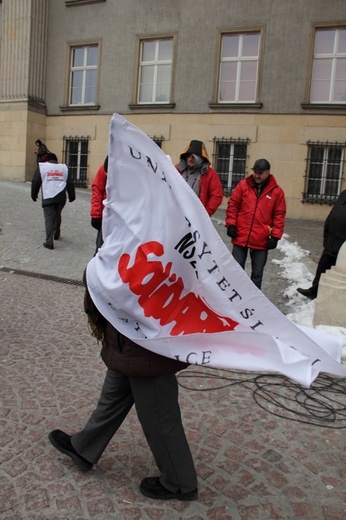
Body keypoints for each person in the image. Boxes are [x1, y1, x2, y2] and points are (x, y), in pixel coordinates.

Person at [48, 277, 198, 501]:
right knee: (112, 398)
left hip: (146, 341)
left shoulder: (156, 243)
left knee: (159, 416)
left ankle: (180, 482)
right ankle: (84, 448)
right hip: (126, 335)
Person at [225, 158, 286, 289]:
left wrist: (275, 236)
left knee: (257, 274)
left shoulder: (277, 192)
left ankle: (254, 302)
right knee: (236, 270)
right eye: (255, 172)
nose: (256, 175)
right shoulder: (243, 185)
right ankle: (234, 296)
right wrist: (231, 224)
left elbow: (279, 215)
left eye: (260, 173)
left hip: (261, 239)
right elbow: (233, 205)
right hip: (241, 235)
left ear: (267, 173)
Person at [297, 189, 346, 300]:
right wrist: (327, 233)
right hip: (332, 240)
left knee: (340, 274)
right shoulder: (344, 194)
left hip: (343, 245)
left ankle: (335, 297)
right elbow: (333, 214)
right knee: (323, 267)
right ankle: (314, 291)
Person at [31, 153, 76, 249]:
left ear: (47, 160)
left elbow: (35, 181)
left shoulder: (43, 167)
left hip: (48, 196)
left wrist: (34, 194)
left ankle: (49, 242)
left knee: (49, 218)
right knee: (57, 214)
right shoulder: (63, 168)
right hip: (61, 197)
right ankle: (56, 233)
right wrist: (72, 196)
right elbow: (70, 183)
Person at [176, 140, 223, 216]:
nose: (190, 159)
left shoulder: (210, 174)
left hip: (197, 216)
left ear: (201, 158)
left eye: (194, 157)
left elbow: (216, 196)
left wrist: (205, 214)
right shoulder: (177, 169)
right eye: (189, 156)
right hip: (177, 213)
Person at [90, 156, 108, 253]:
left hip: (126, 220)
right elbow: (97, 190)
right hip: (106, 217)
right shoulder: (106, 166)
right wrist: (96, 215)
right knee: (100, 251)